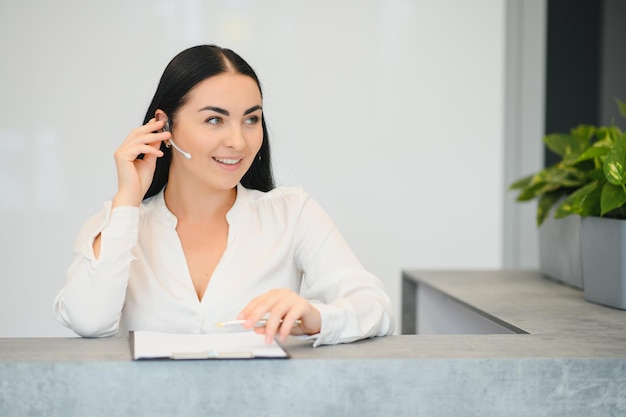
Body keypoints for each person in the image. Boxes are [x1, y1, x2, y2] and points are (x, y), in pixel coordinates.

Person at [53, 44, 394, 346]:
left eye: (251, 119)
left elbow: (375, 308)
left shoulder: (292, 213)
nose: (238, 142)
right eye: (215, 120)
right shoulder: (116, 225)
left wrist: (315, 318)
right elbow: (88, 320)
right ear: (165, 126)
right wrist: (127, 199)